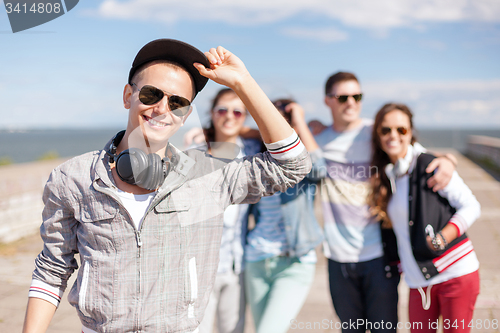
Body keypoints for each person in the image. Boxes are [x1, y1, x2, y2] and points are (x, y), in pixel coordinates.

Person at [22, 39, 311, 333]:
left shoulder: (208, 176)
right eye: (151, 94)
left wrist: (243, 83)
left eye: (177, 103)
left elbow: (294, 165)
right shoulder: (72, 178)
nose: (162, 108)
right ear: (128, 95)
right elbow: (52, 269)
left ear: (186, 113)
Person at [312, 72, 457, 332]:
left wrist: (448, 159)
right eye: (343, 97)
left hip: (379, 257)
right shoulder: (317, 141)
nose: (351, 103)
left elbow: (416, 154)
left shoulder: (376, 132)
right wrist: (305, 122)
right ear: (327, 101)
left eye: (357, 96)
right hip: (337, 258)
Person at [369, 103, 481, 333]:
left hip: (455, 273)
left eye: (401, 130)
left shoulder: (430, 165)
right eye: (385, 130)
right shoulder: (388, 174)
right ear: (377, 134)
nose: (393, 136)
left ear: (410, 133)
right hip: (418, 282)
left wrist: (443, 237)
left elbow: (471, 206)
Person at [244, 98, 324, 333]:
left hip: (294, 262)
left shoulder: (301, 164)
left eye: (285, 122)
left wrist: (299, 119)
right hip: (257, 259)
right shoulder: (256, 161)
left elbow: (321, 169)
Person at [196, 88, 259, 333]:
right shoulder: (197, 155)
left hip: (236, 264)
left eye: (237, 112)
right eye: (222, 110)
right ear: (212, 113)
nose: (229, 116)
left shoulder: (253, 152)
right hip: (201, 268)